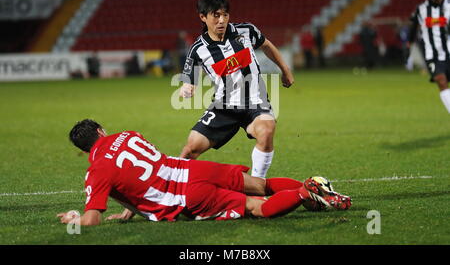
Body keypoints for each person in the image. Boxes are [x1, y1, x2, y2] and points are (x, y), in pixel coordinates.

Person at [57, 119, 351, 226]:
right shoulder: (128, 135)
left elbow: (93, 219)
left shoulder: (96, 170)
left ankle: (303, 192)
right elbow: (144, 172)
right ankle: (314, 188)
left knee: (255, 208)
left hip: (186, 196)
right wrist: (129, 210)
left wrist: (75, 218)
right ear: (101, 131)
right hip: (193, 168)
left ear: (84, 150)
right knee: (259, 185)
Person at [178, 0, 294, 178]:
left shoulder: (246, 31)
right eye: (216, 15)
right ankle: (166, 193)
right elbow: (189, 78)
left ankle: (258, 182)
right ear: (203, 17)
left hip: (256, 102)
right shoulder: (198, 49)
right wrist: (187, 87)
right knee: (190, 149)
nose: (222, 20)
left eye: (225, 14)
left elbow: (266, 45)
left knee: (266, 130)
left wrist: (285, 71)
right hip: (224, 106)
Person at [408, 0, 450, 113]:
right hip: (432, 54)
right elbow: (413, 27)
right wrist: (410, 41)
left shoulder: (449, 7)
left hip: (449, 51)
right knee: (441, 80)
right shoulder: (421, 9)